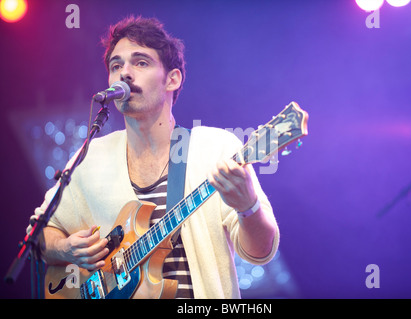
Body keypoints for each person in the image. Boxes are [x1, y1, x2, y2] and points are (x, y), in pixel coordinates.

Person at [28, 16, 279, 299]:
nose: (125, 72)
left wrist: (248, 207)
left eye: (141, 62)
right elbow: (36, 235)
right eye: (116, 65)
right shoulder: (90, 158)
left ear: (172, 79)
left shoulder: (215, 148)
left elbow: (261, 252)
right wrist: (66, 249)